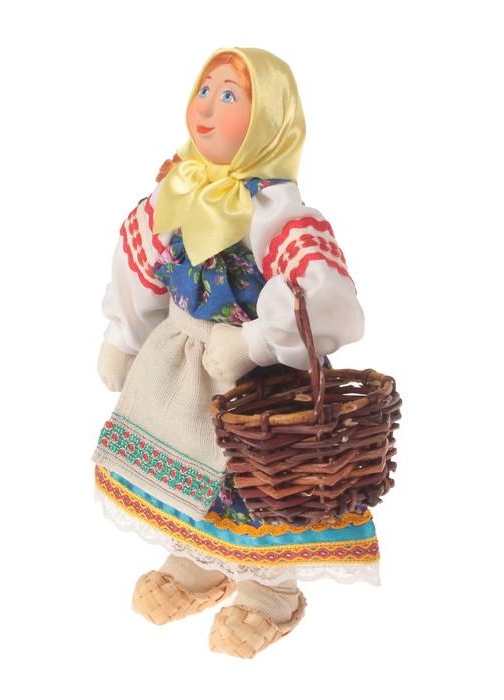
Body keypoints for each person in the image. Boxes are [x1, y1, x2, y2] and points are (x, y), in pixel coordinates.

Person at [93, 47, 377, 658]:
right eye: (205, 89)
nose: (206, 107)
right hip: (181, 366)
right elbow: (139, 264)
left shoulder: (276, 212)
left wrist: (251, 342)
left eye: (230, 96)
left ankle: (269, 588)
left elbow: (329, 303)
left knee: (255, 481)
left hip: (257, 382)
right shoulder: (175, 190)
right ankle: (197, 562)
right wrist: (124, 337)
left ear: (269, 118)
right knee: (187, 462)